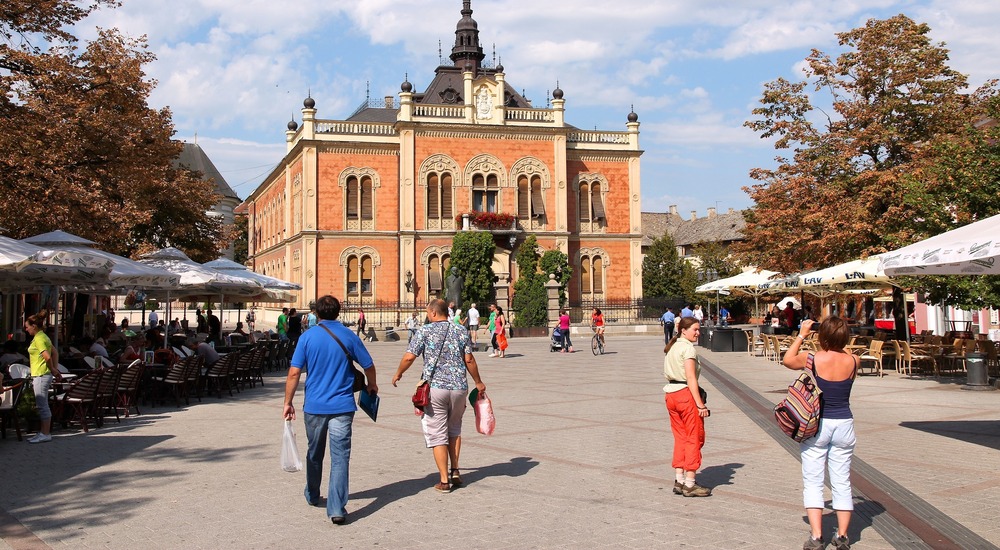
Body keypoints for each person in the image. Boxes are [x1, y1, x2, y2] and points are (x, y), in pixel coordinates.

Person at [283, 295, 377, 525]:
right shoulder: (348, 335)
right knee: (340, 456)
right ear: (338, 312)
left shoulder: (307, 337)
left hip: (314, 405)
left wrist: (288, 401)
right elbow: (368, 365)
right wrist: (372, 384)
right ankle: (336, 508)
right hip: (343, 406)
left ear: (316, 313)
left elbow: (294, 372)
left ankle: (313, 494)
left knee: (315, 452)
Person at [391, 299, 486, 493]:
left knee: (437, 432)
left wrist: (398, 373)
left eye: (428, 313)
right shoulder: (460, 330)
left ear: (433, 313)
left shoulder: (424, 331)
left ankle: (444, 480)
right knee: (455, 429)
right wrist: (478, 381)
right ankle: (456, 470)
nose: (427, 316)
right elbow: (469, 358)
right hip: (459, 387)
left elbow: (410, 356)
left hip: (435, 389)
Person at [782, 317, 858, 550]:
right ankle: (843, 535)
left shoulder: (812, 358)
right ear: (845, 337)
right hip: (844, 423)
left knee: (814, 481)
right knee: (841, 481)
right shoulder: (854, 360)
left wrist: (803, 334)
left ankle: (817, 536)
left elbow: (787, 360)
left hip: (818, 424)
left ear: (821, 335)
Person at [663, 316, 711, 497]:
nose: (698, 333)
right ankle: (690, 482)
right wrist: (700, 404)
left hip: (671, 394)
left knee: (680, 437)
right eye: (695, 330)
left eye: (699, 330)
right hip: (685, 394)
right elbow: (691, 378)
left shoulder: (673, 347)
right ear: (684, 330)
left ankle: (679, 479)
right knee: (694, 437)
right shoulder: (688, 349)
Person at [24, 309, 62, 443]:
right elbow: (55, 353)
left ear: (34, 326)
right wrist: (55, 369)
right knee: (43, 404)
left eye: (27, 327)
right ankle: (43, 432)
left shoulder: (39, 338)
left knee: (42, 405)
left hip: (40, 374)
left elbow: (47, 356)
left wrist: (52, 368)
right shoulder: (44, 336)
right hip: (43, 374)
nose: (26, 330)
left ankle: (45, 433)